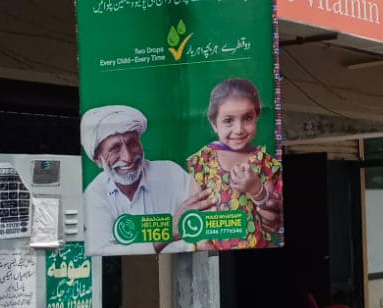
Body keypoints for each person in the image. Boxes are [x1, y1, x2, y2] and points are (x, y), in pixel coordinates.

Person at [81, 105, 209, 255]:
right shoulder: (95, 195)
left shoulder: (170, 172)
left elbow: (202, 225)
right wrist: (170, 231)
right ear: (98, 160)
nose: (128, 157)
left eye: (132, 143)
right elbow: (103, 250)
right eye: (115, 148)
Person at [187, 78, 283, 248]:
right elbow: (193, 218)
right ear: (214, 123)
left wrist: (256, 189)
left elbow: (272, 218)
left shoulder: (262, 161)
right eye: (228, 120)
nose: (239, 129)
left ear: (257, 117)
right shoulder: (204, 161)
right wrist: (206, 247)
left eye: (247, 118)